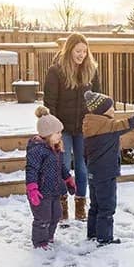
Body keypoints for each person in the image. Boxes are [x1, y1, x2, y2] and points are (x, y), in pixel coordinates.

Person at [78, 91, 134, 245]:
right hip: (106, 173)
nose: (113, 111)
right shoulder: (108, 126)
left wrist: (88, 168)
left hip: (93, 172)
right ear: (102, 110)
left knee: (95, 205)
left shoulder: (90, 124)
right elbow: (130, 123)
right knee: (107, 207)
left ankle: (93, 234)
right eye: (110, 108)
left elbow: (84, 153)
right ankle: (104, 238)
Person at [43, 33, 102, 221]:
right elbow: (49, 101)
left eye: (85, 51)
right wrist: (54, 129)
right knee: (63, 165)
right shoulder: (56, 71)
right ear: (69, 50)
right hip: (63, 127)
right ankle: (62, 208)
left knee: (82, 167)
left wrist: (95, 122)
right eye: (78, 51)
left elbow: (97, 99)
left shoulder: (91, 70)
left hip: (83, 128)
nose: (82, 55)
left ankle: (80, 205)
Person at [23, 109, 74, 249]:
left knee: (56, 215)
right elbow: (31, 169)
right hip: (40, 192)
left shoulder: (56, 148)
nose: (60, 135)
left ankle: (49, 236)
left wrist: (68, 178)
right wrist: (32, 188)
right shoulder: (37, 150)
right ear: (47, 134)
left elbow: (61, 167)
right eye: (57, 133)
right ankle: (40, 242)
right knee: (43, 218)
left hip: (54, 190)